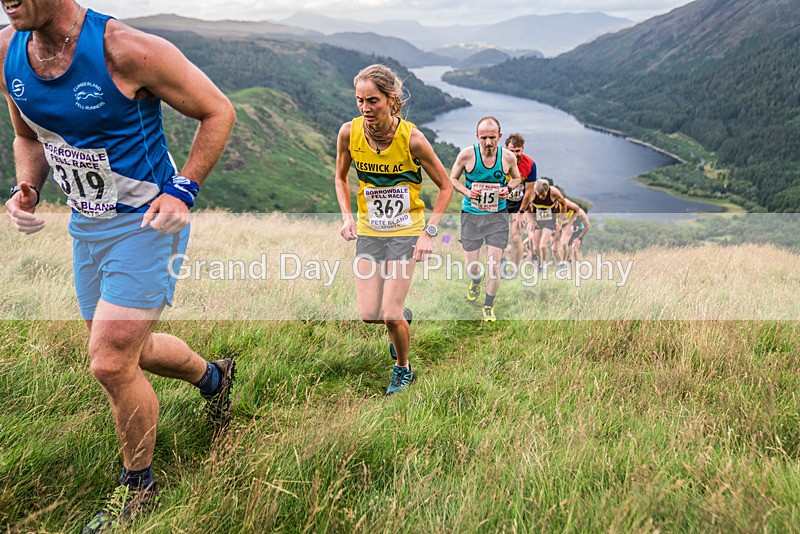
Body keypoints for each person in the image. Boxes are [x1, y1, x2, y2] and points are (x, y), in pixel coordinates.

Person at [1, 2, 237, 530]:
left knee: (108, 361)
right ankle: (214, 378)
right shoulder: (7, 50)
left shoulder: (125, 49)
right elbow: (28, 136)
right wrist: (28, 187)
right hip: (86, 226)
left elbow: (218, 110)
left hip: (147, 225)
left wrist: (183, 192)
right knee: (132, 351)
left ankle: (139, 489)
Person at [335, 64, 452, 395]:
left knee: (388, 314)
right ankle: (403, 318)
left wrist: (429, 232)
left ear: (392, 100)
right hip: (371, 232)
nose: (365, 108)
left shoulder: (413, 139)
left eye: (373, 101)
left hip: (406, 231)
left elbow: (445, 186)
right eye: (360, 100)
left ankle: (403, 369)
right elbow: (340, 178)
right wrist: (347, 217)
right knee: (369, 314)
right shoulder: (349, 133)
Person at [449, 116, 522, 322]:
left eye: (492, 137)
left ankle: (488, 306)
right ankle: (475, 281)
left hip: (497, 217)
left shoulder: (507, 157)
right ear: (477, 136)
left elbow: (517, 178)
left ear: (499, 136)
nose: (488, 142)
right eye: (484, 137)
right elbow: (453, 178)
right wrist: (466, 191)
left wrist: (508, 188)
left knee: (493, 266)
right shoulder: (466, 155)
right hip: (471, 216)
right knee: (472, 268)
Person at [500, 133, 536, 276]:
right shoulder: (499, 161)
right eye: (511, 151)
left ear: (523, 149)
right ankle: (501, 261)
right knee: (499, 236)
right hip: (501, 203)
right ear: (506, 149)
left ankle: (514, 270)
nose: (514, 155)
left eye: (518, 151)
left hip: (518, 206)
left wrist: (521, 213)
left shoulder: (530, 164)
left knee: (516, 238)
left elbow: (529, 191)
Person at [525, 179, 580, 272]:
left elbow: (564, 205)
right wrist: (531, 220)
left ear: (548, 191)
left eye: (544, 195)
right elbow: (525, 206)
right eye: (539, 194)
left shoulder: (554, 192)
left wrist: (560, 223)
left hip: (549, 220)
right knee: (535, 248)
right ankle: (539, 263)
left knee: (543, 245)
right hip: (538, 220)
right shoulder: (531, 193)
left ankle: (543, 266)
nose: (541, 197)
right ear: (535, 191)